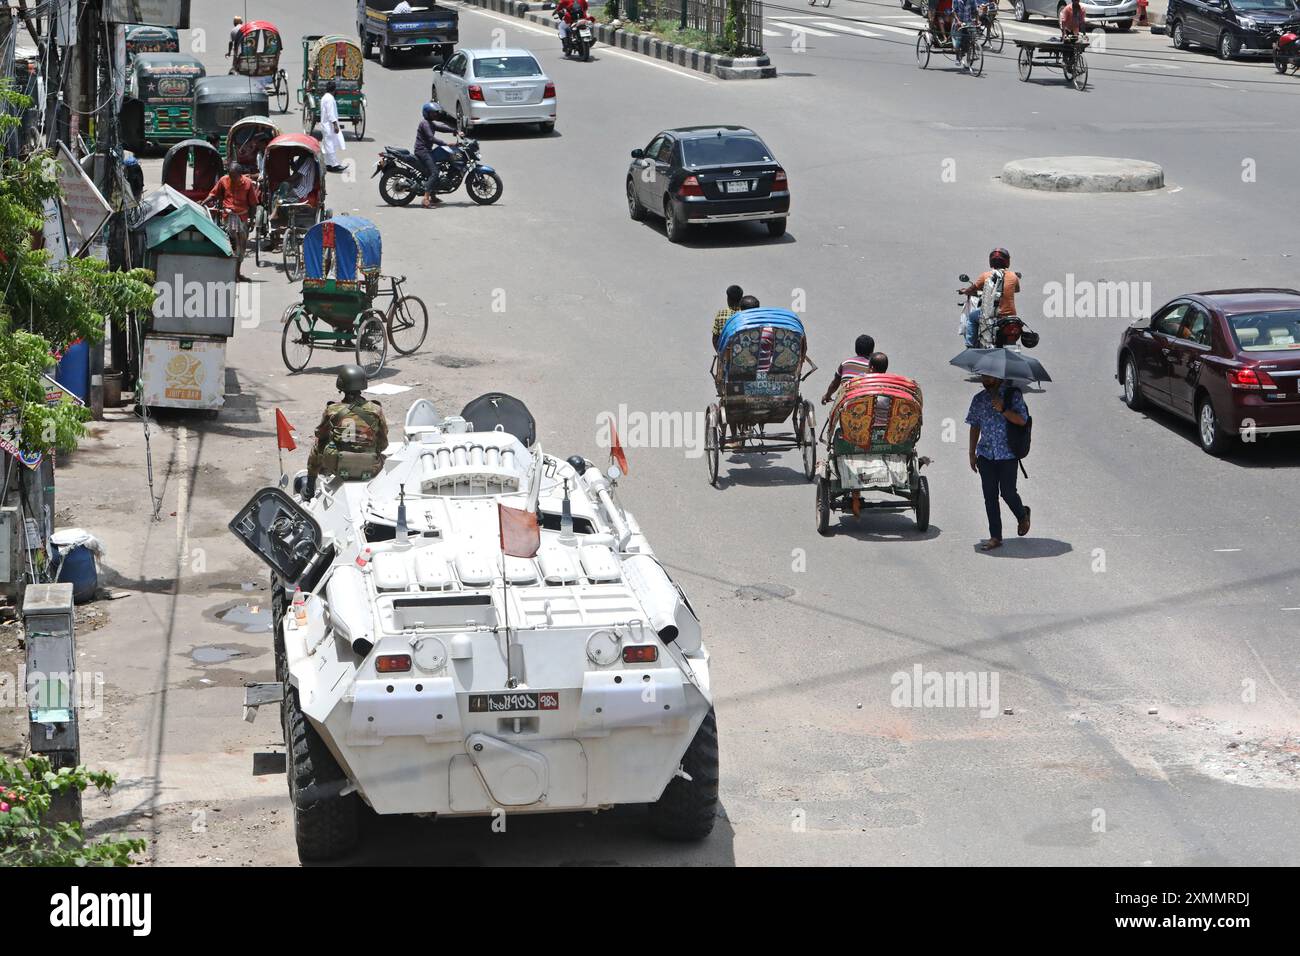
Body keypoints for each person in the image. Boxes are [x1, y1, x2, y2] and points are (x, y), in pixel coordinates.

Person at [304, 366, 390, 500]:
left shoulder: (332, 410)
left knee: (318, 444)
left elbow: (320, 434)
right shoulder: (376, 410)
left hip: (338, 466)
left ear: (341, 385)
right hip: (371, 467)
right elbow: (383, 443)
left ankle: (309, 489)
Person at [966, 375, 1030, 551]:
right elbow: (974, 425)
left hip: (1008, 455)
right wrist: (972, 453)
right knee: (990, 496)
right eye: (983, 377)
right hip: (986, 455)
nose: (984, 381)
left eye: (988, 378)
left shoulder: (1013, 396)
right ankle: (995, 536)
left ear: (998, 377)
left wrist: (1003, 409)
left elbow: (1022, 420)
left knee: (1008, 493)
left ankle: (1022, 514)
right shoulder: (979, 399)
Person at [205, 162, 260, 281]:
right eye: (230, 175)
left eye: (234, 176)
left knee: (242, 247)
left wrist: (251, 221)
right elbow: (213, 194)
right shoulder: (224, 180)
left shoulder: (248, 183)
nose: (231, 178)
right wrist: (204, 202)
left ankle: (237, 272)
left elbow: (253, 204)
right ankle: (232, 274)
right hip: (229, 216)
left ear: (240, 175)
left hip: (242, 217)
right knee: (233, 246)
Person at [959, 247, 1019, 348]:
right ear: (1007, 261)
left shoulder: (985, 275)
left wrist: (965, 291)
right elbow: (1016, 290)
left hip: (990, 315)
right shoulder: (1014, 276)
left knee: (972, 318)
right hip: (1009, 317)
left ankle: (970, 346)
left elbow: (971, 290)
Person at [415, 101, 457, 209]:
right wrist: (445, 144)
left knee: (437, 168)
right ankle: (425, 199)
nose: (435, 115)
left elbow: (441, 128)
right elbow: (431, 138)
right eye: (433, 113)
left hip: (426, 150)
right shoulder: (425, 123)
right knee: (435, 172)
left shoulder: (430, 123)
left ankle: (433, 195)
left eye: (436, 113)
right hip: (422, 151)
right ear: (426, 113)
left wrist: (454, 130)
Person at [821, 334, 875, 404]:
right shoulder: (873, 367)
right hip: (866, 404)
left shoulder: (845, 363)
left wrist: (827, 395)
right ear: (872, 351)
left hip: (846, 404)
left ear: (856, 349)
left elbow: (835, 384)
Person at [319, 81, 347, 172]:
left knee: (328, 145)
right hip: (329, 125)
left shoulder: (325, 97)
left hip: (326, 125)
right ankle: (334, 165)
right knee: (330, 145)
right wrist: (335, 124)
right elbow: (330, 113)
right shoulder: (330, 98)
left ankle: (328, 164)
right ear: (334, 90)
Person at [712, 285, 744, 349]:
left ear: (728, 299)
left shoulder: (721, 314)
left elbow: (715, 338)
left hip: (726, 353)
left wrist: (720, 355)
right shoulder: (745, 315)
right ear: (741, 299)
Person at [952, 0, 978, 69]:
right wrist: (958, 21)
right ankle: (957, 58)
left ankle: (973, 51)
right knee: (958, 41)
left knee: (973, 35)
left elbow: (975, 10)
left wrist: (977, 21)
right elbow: (954, 11)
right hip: (959, 23)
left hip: (968, 22)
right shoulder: (956, 0)